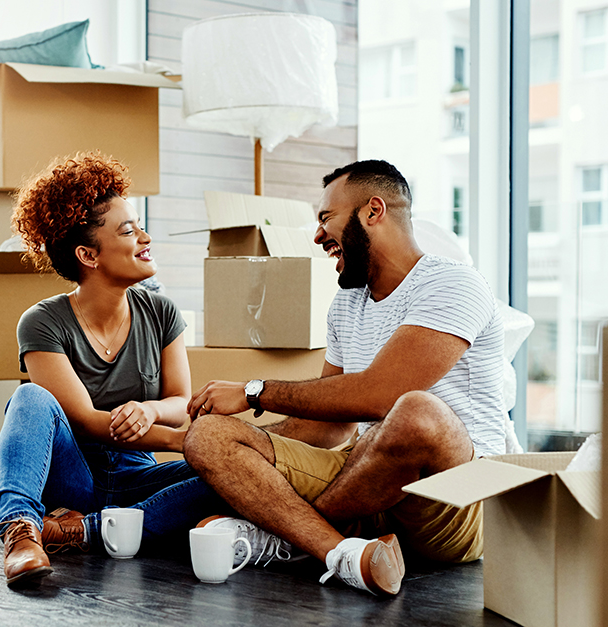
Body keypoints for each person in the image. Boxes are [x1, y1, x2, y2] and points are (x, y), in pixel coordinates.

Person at [183, 159, 506, 596]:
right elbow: (327, 426)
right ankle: (344, 554)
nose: (318, 235)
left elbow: (381, 397)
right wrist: (245, 447)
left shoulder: (452, 284)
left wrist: (254, 392)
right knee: (208, 437)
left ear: (373, 211)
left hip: (458, 496)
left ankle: (290, 539)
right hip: (367, 484)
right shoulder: (347, 305)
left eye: (325, 218)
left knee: (417, 412)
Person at [0, 152, 227, 587]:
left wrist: (154, 412)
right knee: (28, 397)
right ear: (88, 254)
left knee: (234, 473)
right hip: (72, 475)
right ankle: (21, 530)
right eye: (129, 230)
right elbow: (85, 421)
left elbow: (180, 402)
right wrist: (183, 441)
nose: (145, 237)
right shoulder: (42, 321)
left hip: (139, 474)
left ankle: (81, 530)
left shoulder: (161, 312)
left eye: (139, 225)